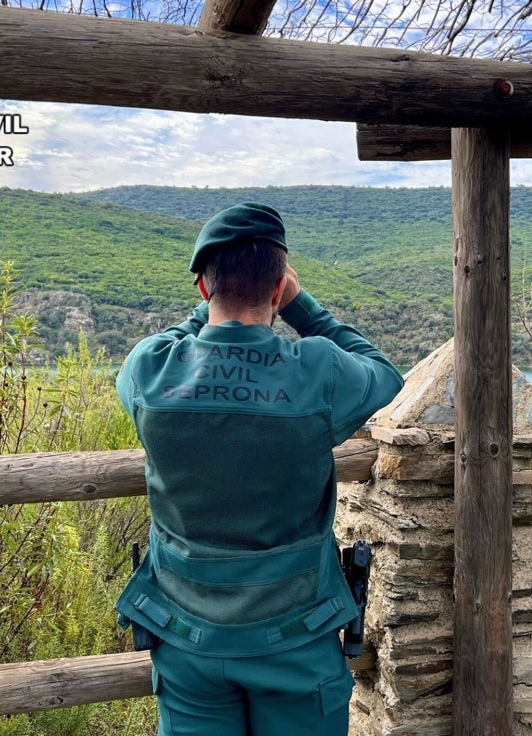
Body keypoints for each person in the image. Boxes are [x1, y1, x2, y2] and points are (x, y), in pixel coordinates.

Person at [115, 202, 404, 736]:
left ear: (203, 289)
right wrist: (301, 307)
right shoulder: (316, 370)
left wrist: (211, 310)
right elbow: (385, 374)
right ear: (277, 290)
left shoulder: (151, 372)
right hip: (297, 635)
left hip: (185, 638)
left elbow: (171, 346)